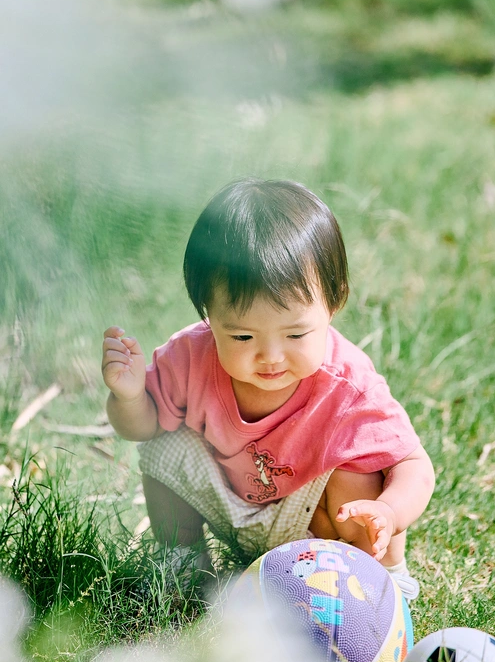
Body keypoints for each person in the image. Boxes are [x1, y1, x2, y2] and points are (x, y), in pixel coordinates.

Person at [101, 179, 435, 598]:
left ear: (334, 302)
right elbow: (141, 428)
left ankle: (375, 579)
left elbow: (414, 466)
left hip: (316, 524)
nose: (271, 356)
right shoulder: (190, 357)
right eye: (242, 337)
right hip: (234, 508)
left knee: (360, 468)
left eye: (295, 335)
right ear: (208, 314)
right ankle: (184, 564)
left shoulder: (348, 387)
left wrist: (388, 510)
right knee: (164, 444)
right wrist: (129, 396)